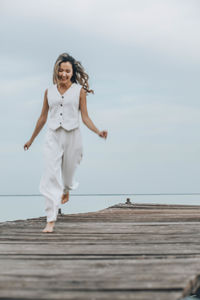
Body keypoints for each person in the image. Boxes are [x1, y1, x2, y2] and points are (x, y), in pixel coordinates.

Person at [23, 53, 108, 233]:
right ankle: (50, 220)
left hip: (72, 136)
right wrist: (31, 139)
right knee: (50, 177)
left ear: (72, 72)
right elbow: (42, 118)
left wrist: (98, 131)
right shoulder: (49, 92)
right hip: (52, 137)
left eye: (67, 71)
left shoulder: (79, 92)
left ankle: (67, 188)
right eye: (60, 70)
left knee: (68, 175)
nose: (63, 74)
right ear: (56, 71)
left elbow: (85, 117)